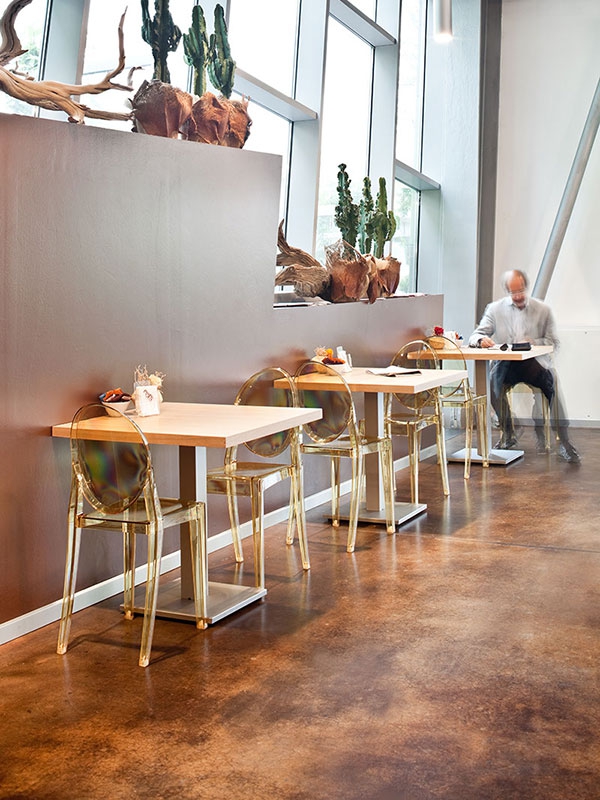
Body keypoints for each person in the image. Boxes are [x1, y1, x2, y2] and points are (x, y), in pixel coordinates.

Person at [468, 269, 580, 463]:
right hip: (507, 364)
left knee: (552, 385)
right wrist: (481, 340)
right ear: (507, 291)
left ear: (526, 287)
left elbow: (554, 342)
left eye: (520, 291)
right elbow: (476, 334)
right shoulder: (494, 309)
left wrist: (535, 342)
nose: (518, 296)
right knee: (492, 384)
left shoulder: (543, 310)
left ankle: (563, 440)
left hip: (534, 364)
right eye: (513, 292)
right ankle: (508, 431)